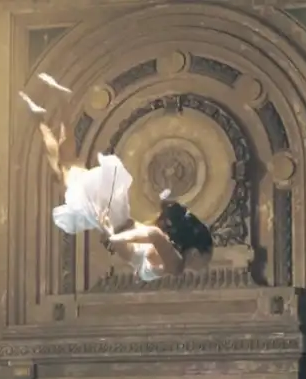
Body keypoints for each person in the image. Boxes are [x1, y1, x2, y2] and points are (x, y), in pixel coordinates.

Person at [20, 73, 213, 281]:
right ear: (195, 251)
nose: (202, 269)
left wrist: (115, 235)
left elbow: (150, 237)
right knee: (65, 170)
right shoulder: (175, 265)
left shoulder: (172, 255)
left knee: (68, 167)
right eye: (205, 260)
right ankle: (47, 114)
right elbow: (153, 235)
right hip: (114, 219)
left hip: (115, 218)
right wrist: (114, 237)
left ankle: (51, 111)